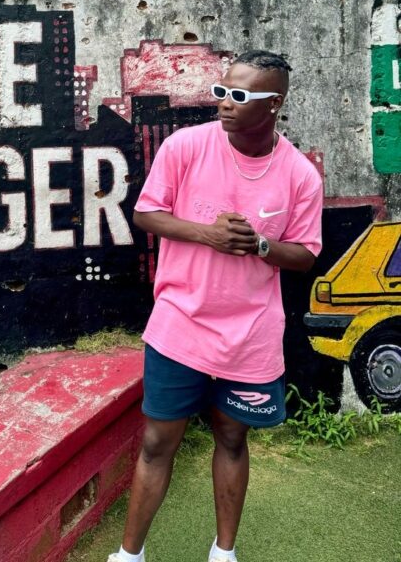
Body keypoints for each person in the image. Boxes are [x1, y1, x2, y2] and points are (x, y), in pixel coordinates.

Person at [108, 50, 323, 562]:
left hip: (249, 333)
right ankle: (129, 555)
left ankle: (223, 552)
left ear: (274, 104)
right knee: (158, 442)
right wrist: (208, 234)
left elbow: (306, 255)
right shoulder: (186, 146)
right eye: (221, 91)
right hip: (180, 321)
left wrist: (260, 245)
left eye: (239, 95)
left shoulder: (299, 175)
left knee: (231, 438)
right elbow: (146, 213)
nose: (224, 103)